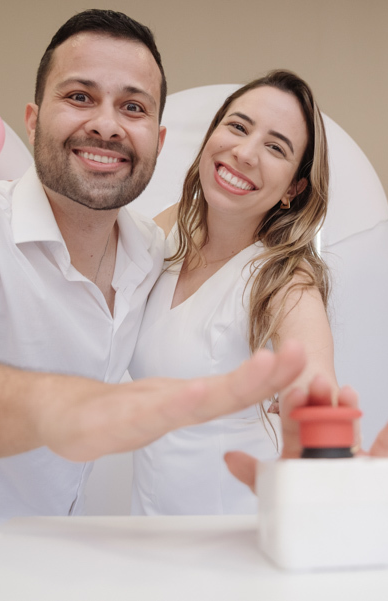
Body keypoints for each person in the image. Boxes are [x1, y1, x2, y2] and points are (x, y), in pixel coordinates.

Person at [0, 10, 307, 595]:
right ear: (32, 121)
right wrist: (64, 409)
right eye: (80, 96)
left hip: (57, 573)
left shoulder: (150, 253)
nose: (107, 125)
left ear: (157, 141)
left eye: (132, 107)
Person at [128, 70, 375, 515]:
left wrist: (332, 456)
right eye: (238, 127)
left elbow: (317, 390)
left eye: (275, 147)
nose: (244, 153)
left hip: (239, 532)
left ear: (294, 189)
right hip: (152, 528)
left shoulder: (285, 281)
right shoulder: (168, 230)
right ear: (211, 137)